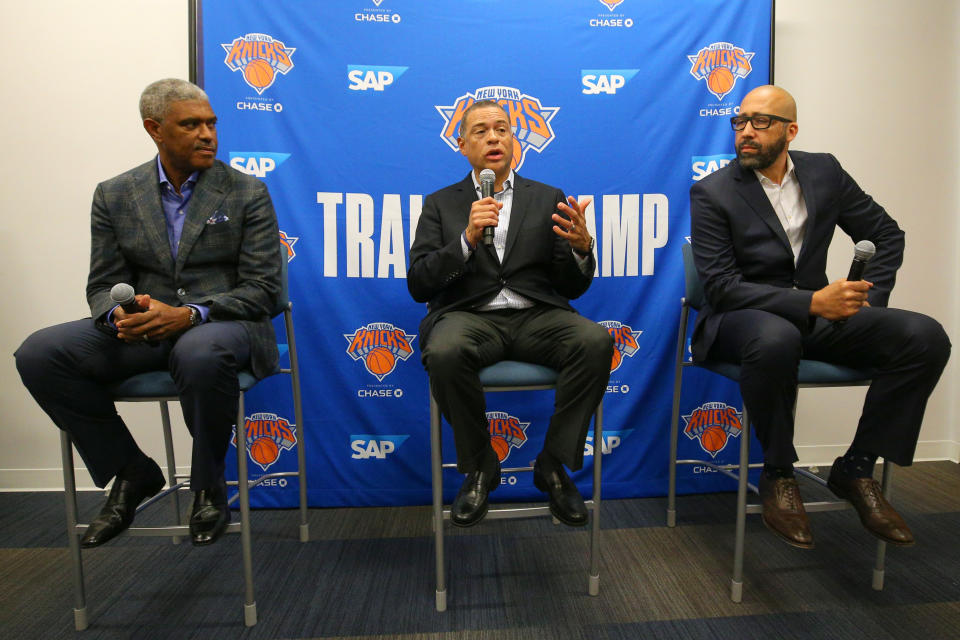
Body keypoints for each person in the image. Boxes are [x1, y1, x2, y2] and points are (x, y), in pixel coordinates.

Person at [15, 78, 281, 547]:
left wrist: (191, 313)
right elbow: (102, 284)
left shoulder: (246, 192)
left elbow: (265, 289)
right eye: (191, 125)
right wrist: (118, 316)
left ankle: (208, 485)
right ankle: (131, 471)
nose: (208, 135)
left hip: (221, 326)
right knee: (39, 354)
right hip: (144, 332)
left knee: (200, 353)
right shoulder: (115, 194)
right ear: (154, 129)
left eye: (212, 124)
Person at [689, 85, 950, 549]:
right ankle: (778, 472)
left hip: (813, 316)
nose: (746, 132)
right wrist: (812, 304)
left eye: (760, 122)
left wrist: (870, 301)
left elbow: (886, 235)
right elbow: (721, 287)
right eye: (740, 122)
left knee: (924, 336)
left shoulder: (824, 171)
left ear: (790, 130)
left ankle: (855, 468)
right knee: (775, 338)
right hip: (740, 319)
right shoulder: (712, 192)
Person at [408, 100, 613, 528]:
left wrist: (581, 249)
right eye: (481, 131)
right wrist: (465, 238)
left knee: (595, 341)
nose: (494, 138)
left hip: (536, 317)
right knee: (444, 352)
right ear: (462, 145)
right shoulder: (441, 204)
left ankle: (554, 464)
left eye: (502, 129)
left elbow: (573, 286)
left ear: (515, 141)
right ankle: (481, 465)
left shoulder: (548, 198)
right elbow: (419, 283)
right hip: (469, 317)